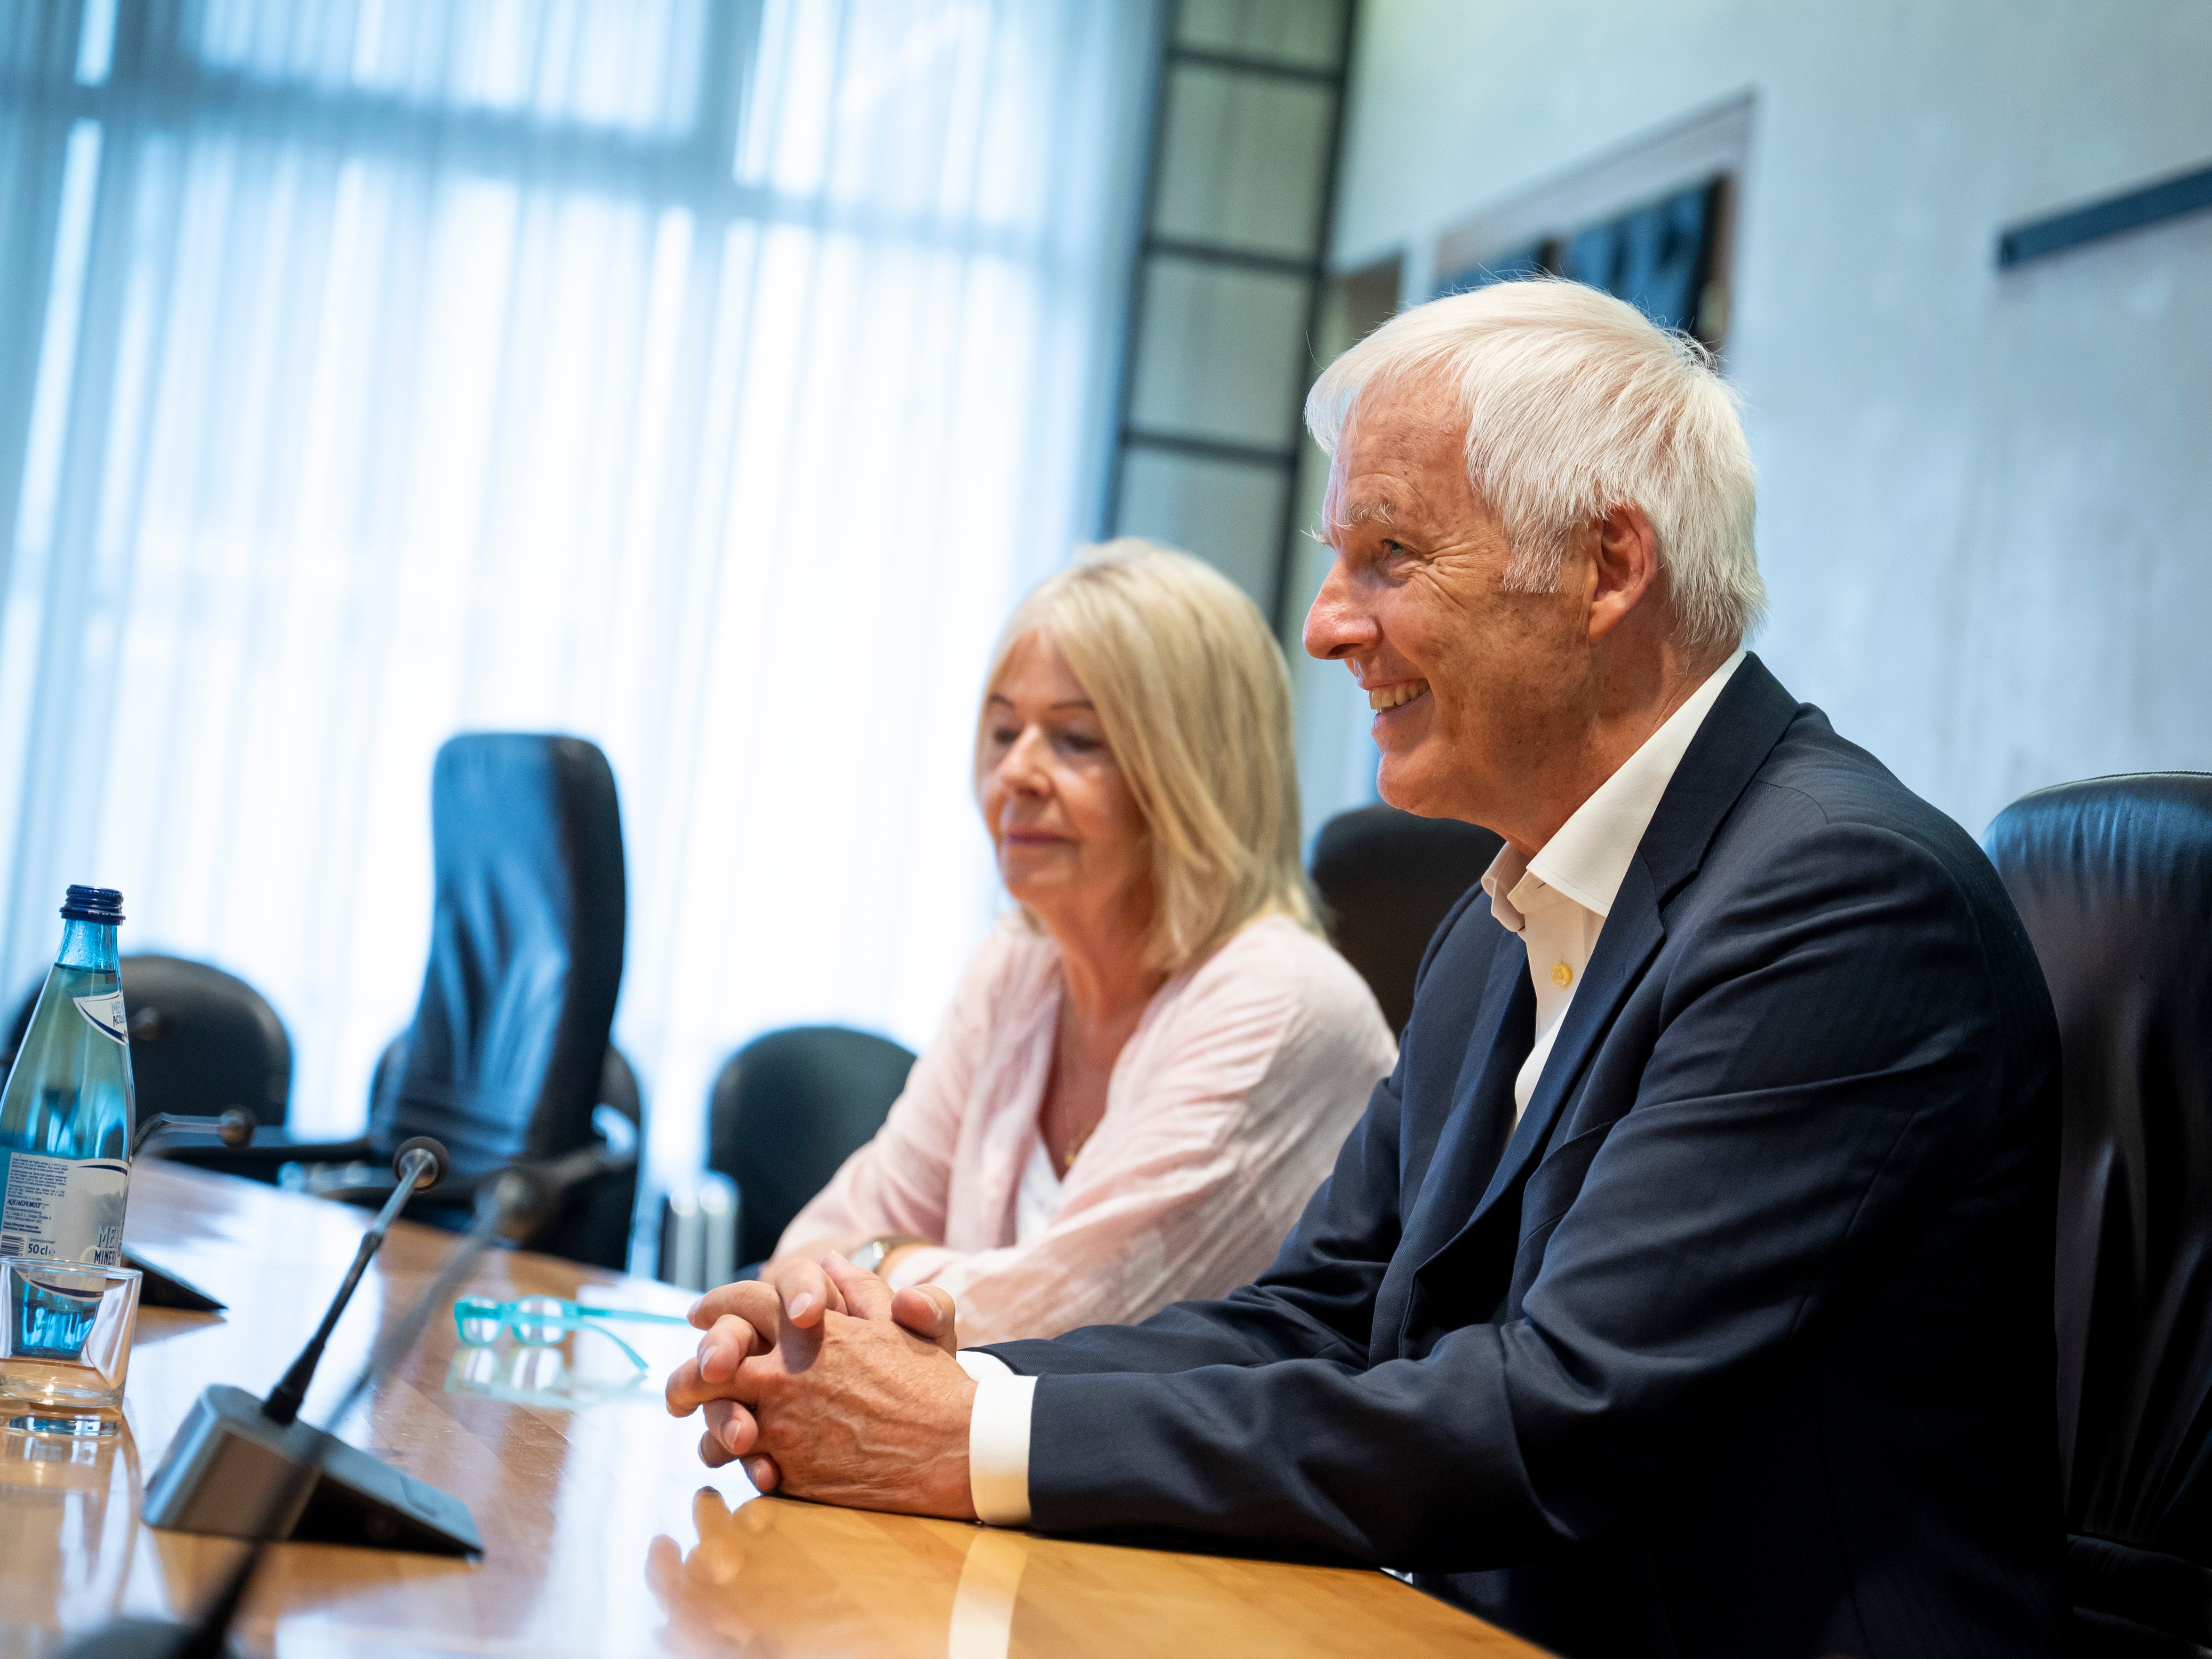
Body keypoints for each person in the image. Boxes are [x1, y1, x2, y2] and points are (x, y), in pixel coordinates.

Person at [666, 280, 2065, 1658]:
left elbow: (1559, 1409)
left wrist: (965, 1431)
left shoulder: (1840, 896)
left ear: (1606, 567)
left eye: (1388, 555)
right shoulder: (1496, 916)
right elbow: (1324, 1317)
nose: (1326, 624)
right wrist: (914, 1377)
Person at [744, 541, 1394, 1347]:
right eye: (1003, 730)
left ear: (1195, 773)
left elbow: (1061, 1327)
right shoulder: (1018, 964)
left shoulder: (1284, 1000)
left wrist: (875, 1263)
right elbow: (805, 1252)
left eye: (1075, 739)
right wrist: (819, 1292)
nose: (1015, 772)